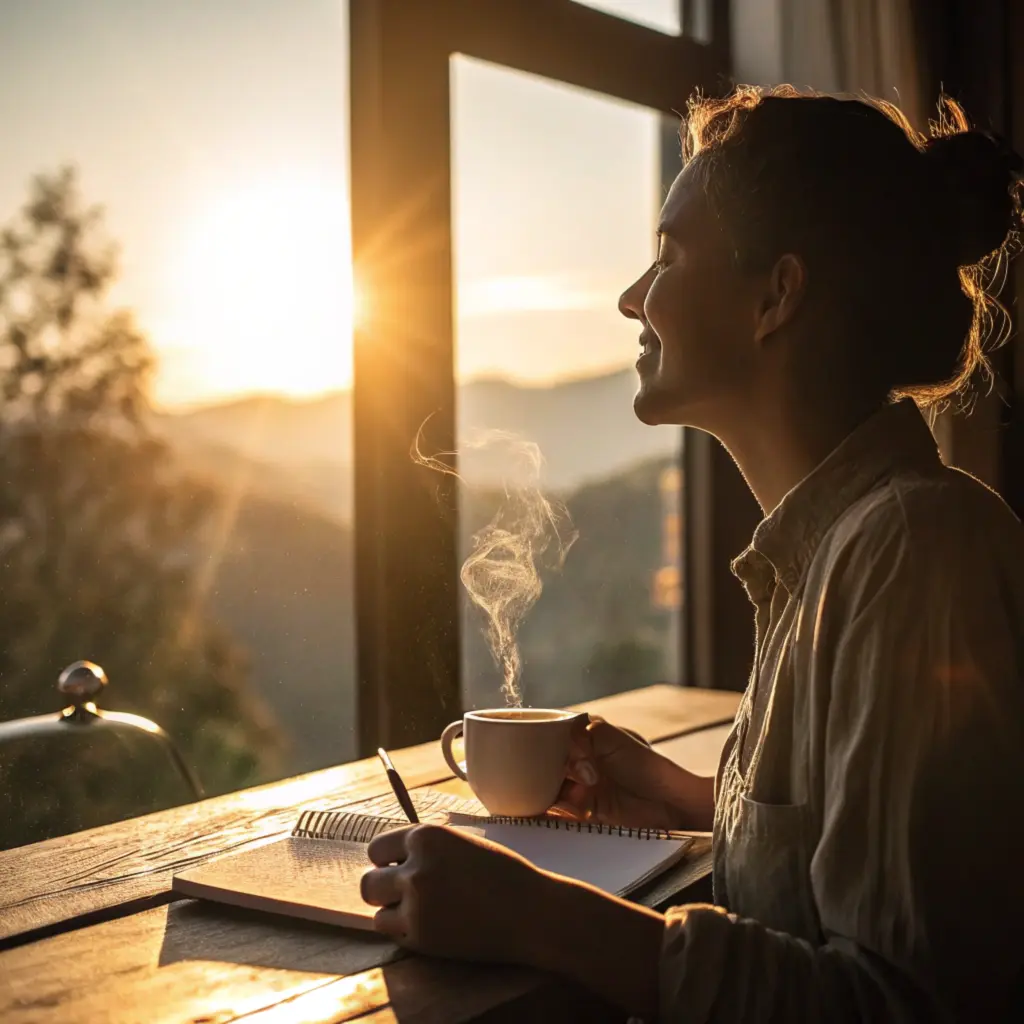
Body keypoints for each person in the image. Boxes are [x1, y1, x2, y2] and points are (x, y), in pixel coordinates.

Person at [360, 85, 1024, 1022]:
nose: (633, 295)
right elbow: (855, 850)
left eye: (668, 256)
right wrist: (685, 795)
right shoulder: (831, 553)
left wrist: (539, 918)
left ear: (776, 296)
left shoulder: (911, 555)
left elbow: (900, 1003)